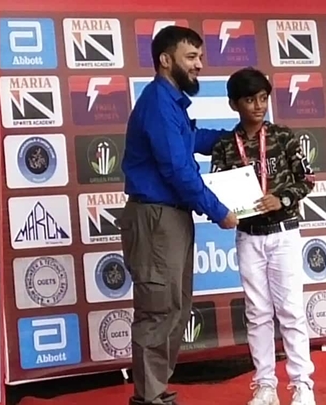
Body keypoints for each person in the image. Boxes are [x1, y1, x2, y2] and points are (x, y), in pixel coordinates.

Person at [119, 26, 239, 405]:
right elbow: (177, 169)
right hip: (156, 218)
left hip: (170, 218)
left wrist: (237, 137)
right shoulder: (158, 102)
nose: (199, 65)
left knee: (175, 306)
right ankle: (149, 399)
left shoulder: (170, 103)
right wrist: (218, 210)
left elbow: (191, 140)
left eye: (200, 57)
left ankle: (155, 393)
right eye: (191, 57)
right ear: (165, 60)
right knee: (158, 310)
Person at [210, 67, 316, 405]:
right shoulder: (225, 146)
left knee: (291, 311)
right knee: (257, 313)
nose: (258, 106)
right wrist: (222, 211)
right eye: (249, 100)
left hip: (284, 232)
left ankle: (302, 385)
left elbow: (307, 179)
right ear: (233, 104)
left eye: (262, 98)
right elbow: (217, 188)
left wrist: (281, 199)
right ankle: (265, 386)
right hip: (248, 235)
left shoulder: (283, 136)